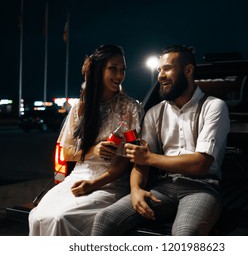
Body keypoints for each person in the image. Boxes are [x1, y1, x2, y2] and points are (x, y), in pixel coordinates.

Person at [91, 44, 230, 236]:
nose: (160, 76)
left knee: (184, 233)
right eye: (159, 70)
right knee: (104, 219)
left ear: (188, 70)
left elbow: (201, 164)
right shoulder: (155, 113)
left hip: (202, 188)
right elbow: (141, 162)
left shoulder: (213, 106)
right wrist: (136, 189)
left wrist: (149, 158)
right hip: (163, 188)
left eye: (167, 69)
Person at [28, 44, 142, 236]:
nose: (119, 75)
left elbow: (124, 160)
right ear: (98, 70)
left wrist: (95, 184)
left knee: (61, 218)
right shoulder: (81, 107)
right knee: (38, 216)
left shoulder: (130, 108)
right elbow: (67, 152)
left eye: (122, 70)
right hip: (78, 177)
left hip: (109, 183)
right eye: (113, 68)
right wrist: (93, 150)